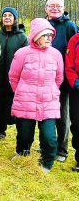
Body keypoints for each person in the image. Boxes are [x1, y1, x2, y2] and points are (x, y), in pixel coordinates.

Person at [9, 18, 63, 173]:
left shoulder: (56, 54)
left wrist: (51, 91)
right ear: (35, 36)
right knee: (25, 133)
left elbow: (59, 78)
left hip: (48, 102)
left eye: (50, 35)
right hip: (26, 100)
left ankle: (47, 162)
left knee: (49, 136)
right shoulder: (22, 53)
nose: (48, 38)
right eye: (44, 35)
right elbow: (13, 77)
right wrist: (22, 92)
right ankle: (22, 153)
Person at [45, 0, 78, 162]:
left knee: (62, 114)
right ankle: (48, 144)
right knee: (47, 113)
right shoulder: (44, 25)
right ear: (46, 9)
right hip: (45, 78)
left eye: (58, 6)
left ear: (63, 8)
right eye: (52, 6)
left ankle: (62, 149)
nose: (55, 8)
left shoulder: (70, 26)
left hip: (64, 79)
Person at [0, 7, 28, 140]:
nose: (7, 18)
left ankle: (20, 133)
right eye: (4, 15)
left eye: (10, 15)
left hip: (15, 78)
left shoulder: (22, 37)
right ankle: (0, 131)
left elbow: (26, 58)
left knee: (14, 103)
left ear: (15, 18)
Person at [65, 32, 79, 172]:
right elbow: (68, 64)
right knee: (77, 123)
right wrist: (75, 81)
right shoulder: (75, 40)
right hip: (77, 89)